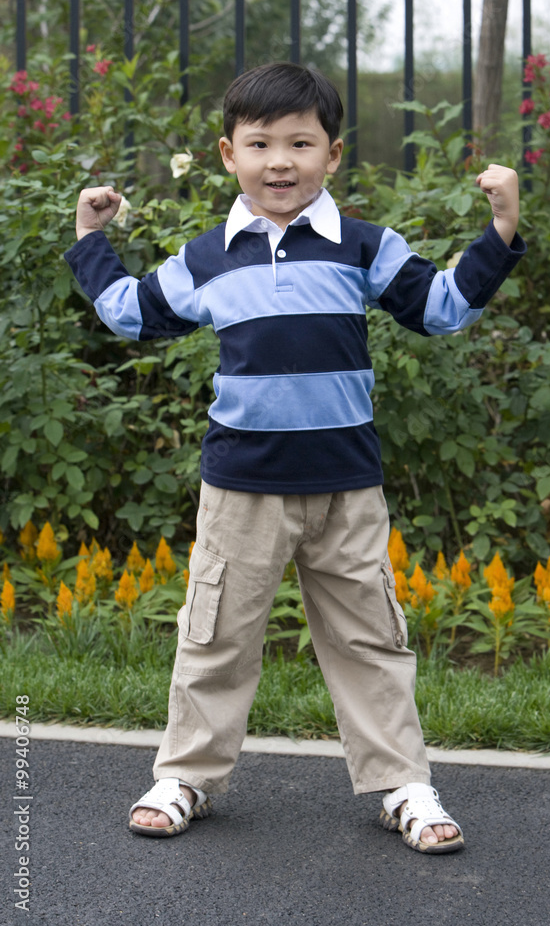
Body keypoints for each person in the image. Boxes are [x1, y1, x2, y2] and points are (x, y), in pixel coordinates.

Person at [65, 61, 525, 854]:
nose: (281, 161)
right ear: (227, 154)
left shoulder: (365, 248)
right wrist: (89, 240)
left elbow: (443, 310)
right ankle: (186, 776)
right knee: (214, 637)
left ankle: (403, 784)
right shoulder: (210, 257)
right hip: (241, 488)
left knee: (370, 639)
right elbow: (131, 315)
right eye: (260, 143)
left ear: (333, 155)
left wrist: (501, 233)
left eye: (300, 143)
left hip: (346, 487)